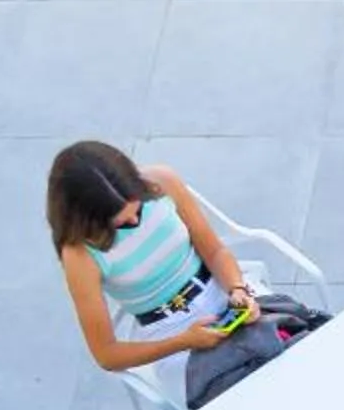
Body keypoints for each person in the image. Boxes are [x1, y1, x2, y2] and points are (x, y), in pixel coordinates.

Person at [47, 141, 254, 377]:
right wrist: (184, 342)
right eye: (122, 224)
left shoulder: (160, 181)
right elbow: (106, 354)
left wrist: (238, 288)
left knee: (281, 352)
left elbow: (214, 251)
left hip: (219, 288)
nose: (136, 222)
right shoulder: (80, 254)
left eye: (139, 209)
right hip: (168, 331)